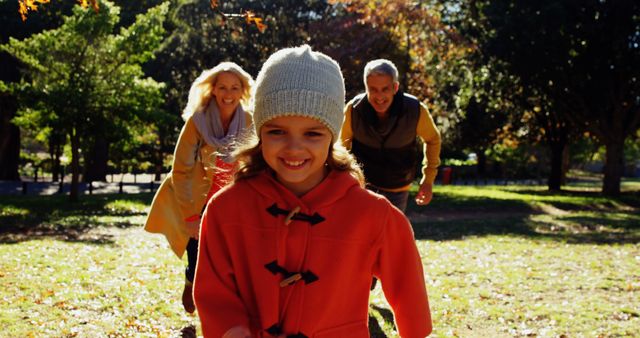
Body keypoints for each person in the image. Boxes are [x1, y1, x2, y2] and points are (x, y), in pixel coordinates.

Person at [193, 45, 432, 338]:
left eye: (312, 133)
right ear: (259, 133)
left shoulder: (373, 213)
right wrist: (231, 328)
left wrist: (415, 330)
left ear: (332, 136)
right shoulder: (225, 209)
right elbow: (212, 287)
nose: (294, 148)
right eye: (277, 131)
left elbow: (407, 284)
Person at [144, 62, 254, 314]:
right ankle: (190, 280)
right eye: (223, 87)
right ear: (213, 90)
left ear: (242, 91)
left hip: (231, 198)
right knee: (197, 255)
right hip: (197, 200)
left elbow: (253, 160)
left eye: (235, 88)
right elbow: (180, 170)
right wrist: (191, 217)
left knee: (230, 257)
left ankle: (220, 304)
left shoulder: (248, 120)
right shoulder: (198, 121)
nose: (228, 94)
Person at [340, 59, 441, 213]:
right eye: (373, 89)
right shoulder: (353, 110)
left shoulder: (415, 109)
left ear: (395, 87)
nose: (379, 96)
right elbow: (341, 148)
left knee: (391, 232)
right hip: (364, 185)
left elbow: (432, 139)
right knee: (363, 232)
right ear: (366, 88)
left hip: (398, 186)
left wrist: (427, 180)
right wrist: (343, 180)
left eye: (385, 89)